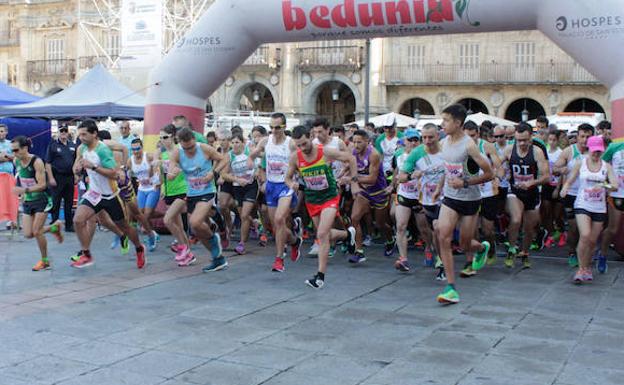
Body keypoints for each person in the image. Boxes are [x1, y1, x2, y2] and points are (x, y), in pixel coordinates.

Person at [285, 125, 357, 288]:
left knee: (323, 234)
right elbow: (287, 178)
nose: (302, 148)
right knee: (323, 235)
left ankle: (320, 277)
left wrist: (354, 181)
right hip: (312, 199)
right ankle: (347, 235)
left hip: (330, 196)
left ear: (310, 137)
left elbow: (351, 159)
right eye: (299, 145)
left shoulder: (324, 151)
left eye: (304, 143)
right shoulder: (295, 158)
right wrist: (293, 184)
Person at [434, 104, 493, 305]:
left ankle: (481, 248)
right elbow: (447, 169)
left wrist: (465, 182)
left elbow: (489, 174)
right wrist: (439, 187)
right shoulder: (444, 143)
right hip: (450, 198)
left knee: (464, 243)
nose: (442, 124)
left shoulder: (469, 146)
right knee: (443, 235)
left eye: (446, 120)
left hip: (470, 199)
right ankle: (451, 287)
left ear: (457, 123)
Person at [71, 120, 146, 269]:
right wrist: (77, 169)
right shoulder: (81, 148)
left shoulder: (103, 150)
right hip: (94, 193)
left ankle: (139, 248)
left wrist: (93, 166)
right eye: (79, 134)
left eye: (84, 134)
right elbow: (75, 167)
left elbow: (113, 174)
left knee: (124, 226)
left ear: (94, 134)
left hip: (111, 195)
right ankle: (86, 254)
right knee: (78, 220)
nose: (81, 137)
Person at [248, 113, 303, 273]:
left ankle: (279, 259)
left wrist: (297, 178)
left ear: (284, 127)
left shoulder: (291, 143)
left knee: (279, 219)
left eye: (277, 127)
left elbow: (302, 160)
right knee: (276, 225)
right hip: (271, 185)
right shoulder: (266, 141)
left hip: (285, 185)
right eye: (271, 127)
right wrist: (251, 161)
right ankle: (294, 241)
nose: (273, 130)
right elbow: (254, 153)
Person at [167, 127, 227, 272]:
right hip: (192, 193)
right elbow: (171, 169)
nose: (190, 150)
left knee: (195, 222)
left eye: (192, 146)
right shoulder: (177, 152)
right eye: (186, 148)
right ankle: (218, 259)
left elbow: (224, 158)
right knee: (197, 229)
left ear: (194, 140)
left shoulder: (204, 149)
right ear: (180, 143)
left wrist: (213, 173)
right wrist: (172, 173)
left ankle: (214, 239)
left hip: (207, 191)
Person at [561, 136, 617, 283]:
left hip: (599, 207)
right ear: (589, 149)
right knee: (585, 235)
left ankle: (586, 267)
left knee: (592, 241)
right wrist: (565, 188)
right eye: (594, 151)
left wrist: (604, 186)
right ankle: (581, 268)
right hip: (582, 204)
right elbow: (570, 179)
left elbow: (615, 185)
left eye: (599, 151)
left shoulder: (606, 166)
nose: (596, 154)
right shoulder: (581, 163)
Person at [501, 123, 550, 269]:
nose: (522, 143)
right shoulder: (509, 150)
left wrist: (532, 183)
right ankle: (511, 249)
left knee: (529, 228)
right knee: (516, 219)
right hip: (515, 190)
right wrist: (500, 174)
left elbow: (547, 176)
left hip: (532, 192)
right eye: (518, 140)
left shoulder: (537, 152)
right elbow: (498, 165)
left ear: (531, 138)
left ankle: (525, 252)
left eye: (525, 140)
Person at [11, 136, 64, 271]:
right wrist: (23, 194)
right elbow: (22, 178)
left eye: (16, 150)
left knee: (37, 231)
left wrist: (24, 190)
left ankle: (45, 261)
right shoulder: (16, 160)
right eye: (12, 150)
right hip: (28, 200)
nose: (14, 153)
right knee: (28, 234)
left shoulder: (37, 161)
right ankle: (54, 227)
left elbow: (42, 185)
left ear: (25, 148)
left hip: (42, 199)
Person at [394, 127, 441, 272]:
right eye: (410, 140)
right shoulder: (398, 154)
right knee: (401, 225)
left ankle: (429, 247)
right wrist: (409, 176)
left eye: (416, 140)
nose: (413, 143)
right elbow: (397, 175)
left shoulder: (423, 153)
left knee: (424, 228)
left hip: (421, 196)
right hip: (404, 194)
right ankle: (403, 259)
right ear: (404, 141)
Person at [350, 129, 396, 263]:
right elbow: (349, 166)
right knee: (354, 218)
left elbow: (372, 179)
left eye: (359, 142)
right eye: (354, 142)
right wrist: (340, 176)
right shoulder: (353, 152)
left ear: (367, 142)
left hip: (378, 192)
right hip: (364, 192)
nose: (356, 145)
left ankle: (390, 239)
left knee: (380, 223)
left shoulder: (373, 154)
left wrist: (352, 179)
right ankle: (359, 251)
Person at [464, 121, 502, 274]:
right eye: (466, 136)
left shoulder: (486, 146)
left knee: (487, 230)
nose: (470, 139)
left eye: (472, 136)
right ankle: (474, 258)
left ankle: (491, 248)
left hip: (487, 192)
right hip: (470, 193)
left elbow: (498, 164)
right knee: (471, 229)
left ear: (478, 134)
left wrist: (498, 174)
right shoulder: (461, 148)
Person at [553, 124, 593, 267]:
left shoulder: (596, 152)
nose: (585, 140)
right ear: (577, 137)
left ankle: (585, 253)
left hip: (589, 196)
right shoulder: (569, 151)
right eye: (582, 136)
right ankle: (572, 252)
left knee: (589, 230)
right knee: (574, 226)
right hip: (571, 194)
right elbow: (555, 168)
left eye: (588, 137)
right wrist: (560, 169)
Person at [159, 124, 192, 265]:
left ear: (173, 137)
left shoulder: (180, 151)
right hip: (169, 192)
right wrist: (161, 187)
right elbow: (162, 176)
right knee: (178, 226)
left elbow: (181, 170)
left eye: (165, 137)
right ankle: (188, 253)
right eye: (160, 138)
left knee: (167, 220)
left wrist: (175, 171)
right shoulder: (163, 154)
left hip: (182, 190)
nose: (162, 140)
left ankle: (182, 247)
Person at [221, 132, 258, 255]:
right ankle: (255, 224)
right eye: (233, 142)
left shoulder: (249, 151)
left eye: (237, 142)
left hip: (251, 186)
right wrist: (237, 179)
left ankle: (242, 243)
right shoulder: (229, 156)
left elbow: (258, 164)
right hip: (238, 188)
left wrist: (257, 172)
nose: (235, 145)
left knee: (244, 215)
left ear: (243, 142)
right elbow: (224, 174)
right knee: (243, 215)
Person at [128, 138, 160, 251]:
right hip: (142, 189)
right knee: (139, 214)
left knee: (146, 215)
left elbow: (157, 166)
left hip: (153, 187)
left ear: (142, 147)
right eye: (133, 149)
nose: (136, 151)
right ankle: (165, 216)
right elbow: (127, 174)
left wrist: (154, 169)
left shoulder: (148, 156)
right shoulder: (130, 160)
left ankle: (152, 236)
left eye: (138, 148)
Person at [45, 124, 77, 232]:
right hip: (57, 177)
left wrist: (77, 176)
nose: (63, 132)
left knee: (69, 202)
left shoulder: (73, 145)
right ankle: (54, 224)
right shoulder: (53, 145)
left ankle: (69, 225)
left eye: (65, 130)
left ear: (68, 132)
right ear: (58, 132)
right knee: (56, 202)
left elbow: (76, 162)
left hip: (70, 177)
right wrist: (50, 178)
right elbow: (48, 163)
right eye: (61, 131)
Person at [598, 134, 623, 273]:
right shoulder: (615, 145)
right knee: (613, 228)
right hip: (617, 193)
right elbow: (600, 165)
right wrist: (606, 185)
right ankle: (602, 255)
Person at [542, 128, 564, 248]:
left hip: (557, 186)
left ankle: (561, 232)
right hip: (547, 184)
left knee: (557, 215)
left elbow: (562, 172)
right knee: (547, 211)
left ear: (558, 140)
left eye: (554, 140)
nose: (552, 142)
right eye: (550, 139)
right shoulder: (545, 150)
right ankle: (550, 235)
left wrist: (558, 188)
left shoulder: (561, 153)